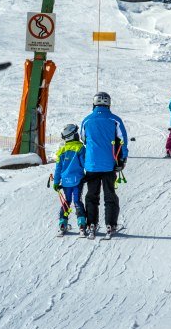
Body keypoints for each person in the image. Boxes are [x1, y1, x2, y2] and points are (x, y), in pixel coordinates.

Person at [80, 92, 128, 238]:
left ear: (94, 104)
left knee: (91, 195)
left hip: (92, 165)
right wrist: (122, 159)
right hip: (109, 164)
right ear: (109, 104)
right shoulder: (115, 120)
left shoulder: (87, 120)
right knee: (110, 194)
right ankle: (110, 224)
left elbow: (83, 139)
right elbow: (123, 141)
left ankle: (91, 224)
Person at [53, 124, 87, 235]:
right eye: (76, 133)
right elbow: (84, 163)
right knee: (77, 201)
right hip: (77, 180)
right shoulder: (80, 148)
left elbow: (58, 168)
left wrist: (56, 182)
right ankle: (82, 224)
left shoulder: (62, 150)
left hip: (65, 181)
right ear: (72, 136)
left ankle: (63, 223)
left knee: (67, 201)